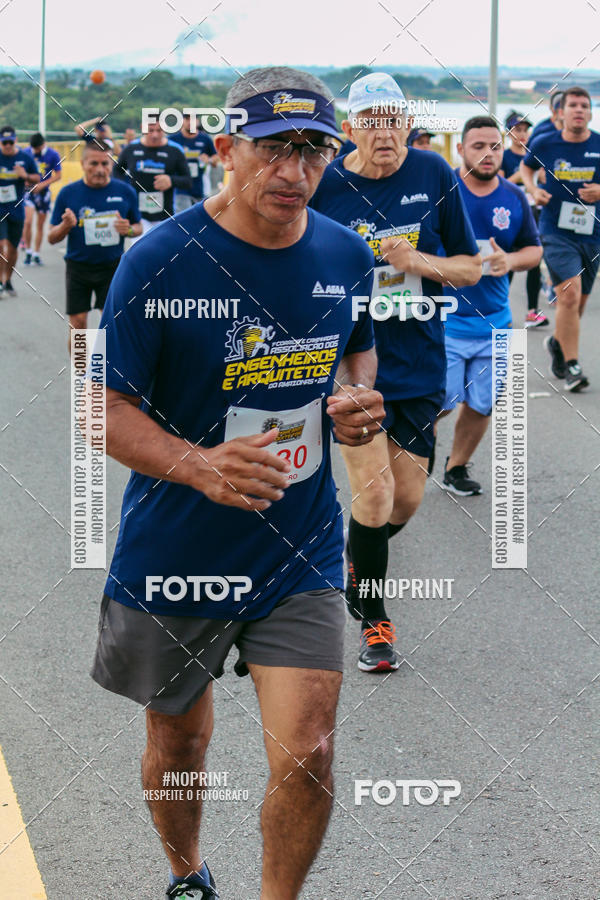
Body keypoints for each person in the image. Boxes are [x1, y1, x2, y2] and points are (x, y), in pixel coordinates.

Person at [90, 66, 385, 900]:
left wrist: (357, 399)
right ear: (227, 149)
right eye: (274, 150)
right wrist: (200, 465)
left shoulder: (341, 251)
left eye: (314, 152)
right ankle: (187, 872)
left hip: (301, 546)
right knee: (180, 744)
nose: (295, 172)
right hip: (179, 546)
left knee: (312, 748)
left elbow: (356, 347)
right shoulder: (158, 262)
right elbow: (103, 411)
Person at [311, 73, 481, 672]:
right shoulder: (325, 184)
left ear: (410, 122)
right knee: (374, 492)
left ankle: (359, 559)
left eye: (394, 119)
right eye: (371, 120)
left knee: (404, 500)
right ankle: (375, 621)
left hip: (419, 365)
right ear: (350, 127)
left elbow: (471, 268)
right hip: (351, 366)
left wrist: (418, 260)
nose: (385, 133)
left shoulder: (433, 175)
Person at [440, 116, 542, 495]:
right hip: (444, 323)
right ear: (460, 149)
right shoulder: (443, 190)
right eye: (478, 146)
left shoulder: (514, 196)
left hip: (497, 323)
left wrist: (510, 261)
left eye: (495, 146)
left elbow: (534, 249)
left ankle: (456, 468)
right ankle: (415, 456)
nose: (488, 153)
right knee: (440, 402)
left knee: (483, 404)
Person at [521, 86, 600, 391]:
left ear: (590, 113)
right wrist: (532, 189)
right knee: (567, 295)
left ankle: (557, 343)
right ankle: (572, 366)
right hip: (555, 231)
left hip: (592, 233)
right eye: (573, 105)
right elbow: (526, 169)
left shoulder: (598, 144)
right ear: (561, 113)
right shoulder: (545, 142)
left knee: (576, 305)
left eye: (585, 105)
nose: (579, 110)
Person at [47, 139, 141, 351]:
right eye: (94, 164)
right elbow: (52, 238)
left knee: (111, 325)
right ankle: (80, 379)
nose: (100, 169)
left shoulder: (126, 191)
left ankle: (105, 377)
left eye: (105, 164)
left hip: (113, 267)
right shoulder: (68, 193)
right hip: (78, 267)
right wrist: (65, 226)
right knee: (79, 325)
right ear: (83, 164)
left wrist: (128, 229)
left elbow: (138, 228)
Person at [501, 111, 549, 328]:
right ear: (509, 132)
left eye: (525, 130)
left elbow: (544, 181)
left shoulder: (534, 156)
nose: (522, 134)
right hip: (510, 213)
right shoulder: (504, 156)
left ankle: (532, 312)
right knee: (508, 262)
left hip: (534, 211)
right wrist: (518, 177)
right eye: (517, 129)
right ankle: (500, 308)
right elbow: (497, 184)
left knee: (534, 261)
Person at [113, 119, 192, 239]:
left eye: (159, 130)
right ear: (142, 128)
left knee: (164, 255)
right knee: (141, 255)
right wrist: (125, 189)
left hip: (165, 216)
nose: (155, 135)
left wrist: (171, 180)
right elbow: (117, 170)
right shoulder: (131, 149)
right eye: (150, 130)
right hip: (138, 217)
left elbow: (188, 181)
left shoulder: (175, 150)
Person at [0, 125, 40, 297]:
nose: (8, 145)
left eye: (10, 142)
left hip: (16, 209)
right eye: (4, 142)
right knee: (1, 246)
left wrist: (25, 175)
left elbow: (37, 178)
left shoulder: (25, 157)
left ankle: (7, 280)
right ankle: (0, 282)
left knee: (13, 249)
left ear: (15, 140)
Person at [22, 132, 62, 265]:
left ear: (43, 145)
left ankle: (36, 253)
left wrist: (42, 184)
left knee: (40, 224)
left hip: (44, 192)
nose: (35, 151)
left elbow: (58, 175)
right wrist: (25, 180)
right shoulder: (26, 152)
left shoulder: (53, 154)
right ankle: (27, 251)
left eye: (37, 149)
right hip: (28, 192)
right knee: (27, 221)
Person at [170, 112, 218, 211]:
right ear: (182, 121)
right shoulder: (173, 139)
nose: (190, 122)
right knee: (183, 218)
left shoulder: (205, 139)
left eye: (193, 119)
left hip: (199, 187)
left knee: (199, 219)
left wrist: (208, 160)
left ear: (197, 122)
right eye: (187, 119)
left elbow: (216, 160)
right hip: (180, 188)